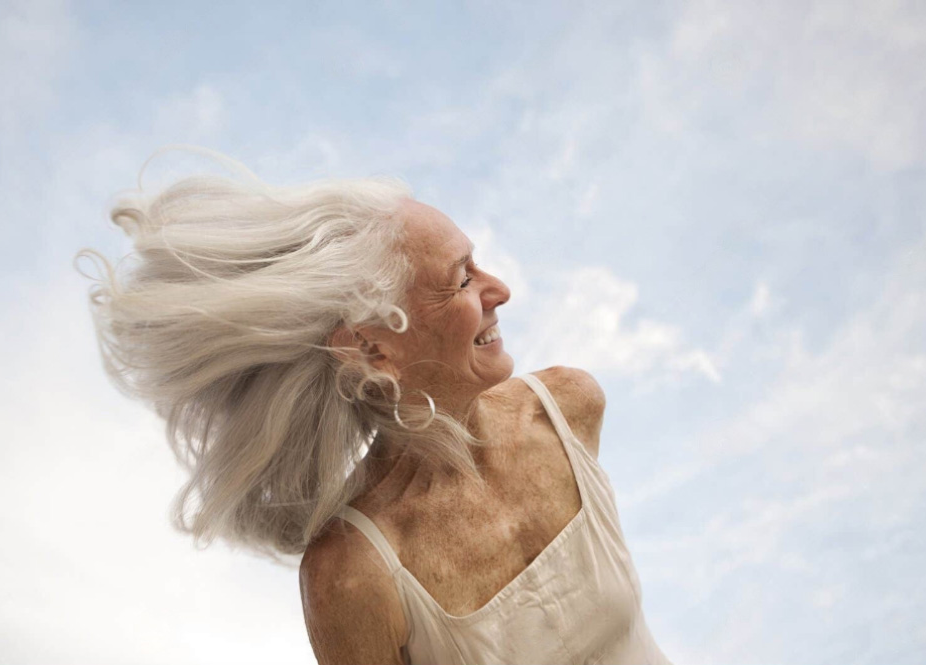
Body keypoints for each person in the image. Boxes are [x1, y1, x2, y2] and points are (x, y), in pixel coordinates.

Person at [76, 147, 672, 665]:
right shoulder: (352, 574)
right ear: (373, 350)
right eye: (462, 279)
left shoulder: (567, 407)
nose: (500, 290)